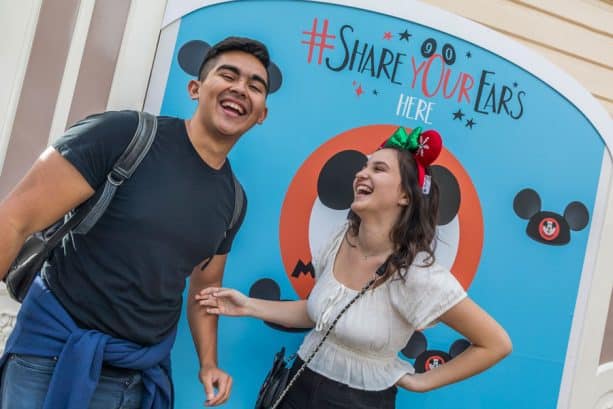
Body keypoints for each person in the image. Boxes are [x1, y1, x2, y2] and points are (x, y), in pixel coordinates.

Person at [0, 36, 271, 408]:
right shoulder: (123, 135)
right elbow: (14, 217)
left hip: (134, 375)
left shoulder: (234, 201)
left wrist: (209, 363)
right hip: (50, 353)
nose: (241, 88)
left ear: (261, 114)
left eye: (255, 86)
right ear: (195, 88)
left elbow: (204, 289)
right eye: (229, 75)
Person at [197, 126, 512, 409]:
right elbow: (320, 314)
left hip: (360, 401)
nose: (362, 174)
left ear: (405, 195)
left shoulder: (419, 275)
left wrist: (420, 382)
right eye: (363, 166)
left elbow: (495, 343)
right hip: (298, 383)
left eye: (378, 168)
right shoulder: (340, 239)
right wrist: (248, 306)